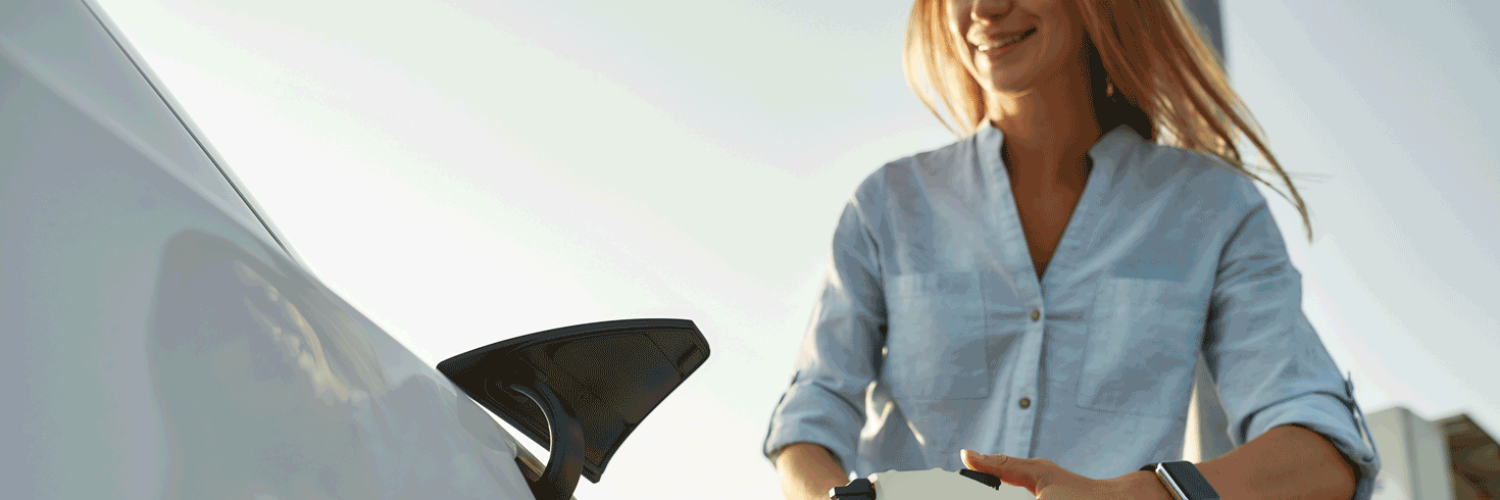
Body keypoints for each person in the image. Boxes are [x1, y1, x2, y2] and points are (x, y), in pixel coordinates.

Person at [761, 0, 1381, 499]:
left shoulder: (1213, 207)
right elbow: (811, 413)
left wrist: (1136, 497)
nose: (983, 8)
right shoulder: (886, 204)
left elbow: (1322, 451)